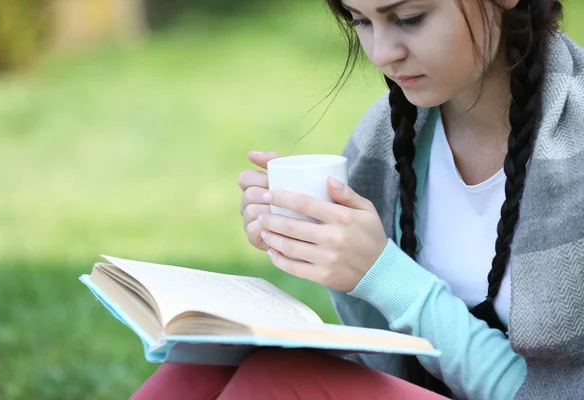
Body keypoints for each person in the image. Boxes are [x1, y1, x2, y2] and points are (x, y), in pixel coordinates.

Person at [132, 0, 584, 399]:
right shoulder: (391, 137)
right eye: (360, 22)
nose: (383, 54)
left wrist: (384, 274)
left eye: (409, 17)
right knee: (200, 364)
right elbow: (378, 344)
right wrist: (311, 240)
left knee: (278, 381)